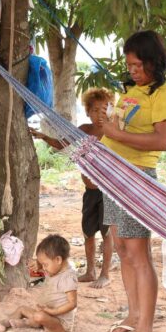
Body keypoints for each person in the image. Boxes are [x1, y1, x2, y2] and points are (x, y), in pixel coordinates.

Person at [101, 30, 166, 332]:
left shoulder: (165, 94)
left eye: (137, 65)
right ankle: (133, 316)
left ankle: (145, 331)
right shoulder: (132, 91)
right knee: (122, 248)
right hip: (113, 175)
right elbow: (116, 127)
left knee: (138, 253)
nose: (132, 71)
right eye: (129, 66)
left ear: (152, 61)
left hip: (137, 178)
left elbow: (162, 141)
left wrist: (116, 136)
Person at [30, 88, 115, 289]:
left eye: (104, 110)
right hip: (90, 191)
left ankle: (105, 274)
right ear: (87, 111)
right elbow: (63, 144)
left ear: (111, 111)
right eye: (94, 110)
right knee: (88, 232)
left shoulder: (113, 131)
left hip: (108, 191)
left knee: (107, 233)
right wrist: (42, 136)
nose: (98, 115)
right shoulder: (84, 130)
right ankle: (90, 270)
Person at [0, 234, 78, 332]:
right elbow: (46, 264)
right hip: (48, 314)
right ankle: (3, 323)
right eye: (42, 264)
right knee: (22, 309)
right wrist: (38, 264)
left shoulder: (68, 278)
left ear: (58, 260)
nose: (43, 268)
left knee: (39, 316)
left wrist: (52, 312)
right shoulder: (54, 268)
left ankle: (25, 323)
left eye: (45, 264)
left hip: (60, 324)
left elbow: (72, 304)